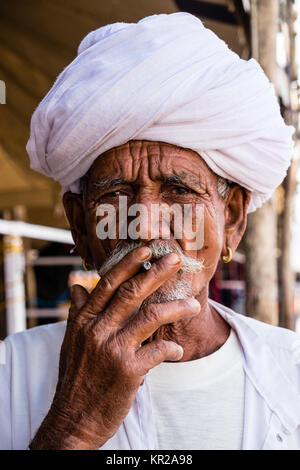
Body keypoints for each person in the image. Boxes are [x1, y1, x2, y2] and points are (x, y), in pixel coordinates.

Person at [1, 12, 300, 451]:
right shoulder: (10, 371)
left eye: (179, 189)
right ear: (81, 227)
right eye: (116, 193)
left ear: (232, 219)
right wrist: (72, 428)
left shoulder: (290, 370)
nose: (145, 223)